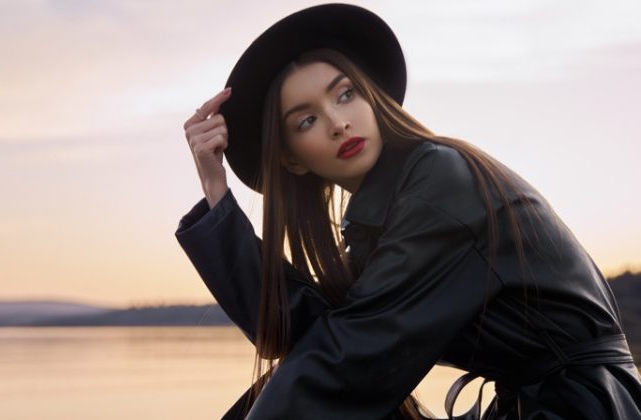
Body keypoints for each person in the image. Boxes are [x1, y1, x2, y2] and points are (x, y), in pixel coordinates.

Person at [176, 4, 641, 419]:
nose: (339, 122)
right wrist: (217, 194)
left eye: (345, 95)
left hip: (583, 406)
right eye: (307, 120)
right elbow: (310, 333)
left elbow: (349, 358)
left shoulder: (440, 183)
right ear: (292, 159)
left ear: (372, 97)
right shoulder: (385, 216)